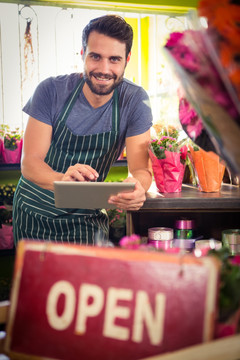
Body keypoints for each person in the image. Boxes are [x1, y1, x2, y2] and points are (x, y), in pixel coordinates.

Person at [12, 14, 153, 245]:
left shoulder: (135, 101)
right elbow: (30, 162)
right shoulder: (50, 90)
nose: (104, 69)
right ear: (82, 54)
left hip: (86, 216)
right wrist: (62, 179)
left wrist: (138, 187)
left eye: (114, 59)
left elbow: (141, 169)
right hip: (34, 212)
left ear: (127, 59)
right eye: (95, 56)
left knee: (88, 280)